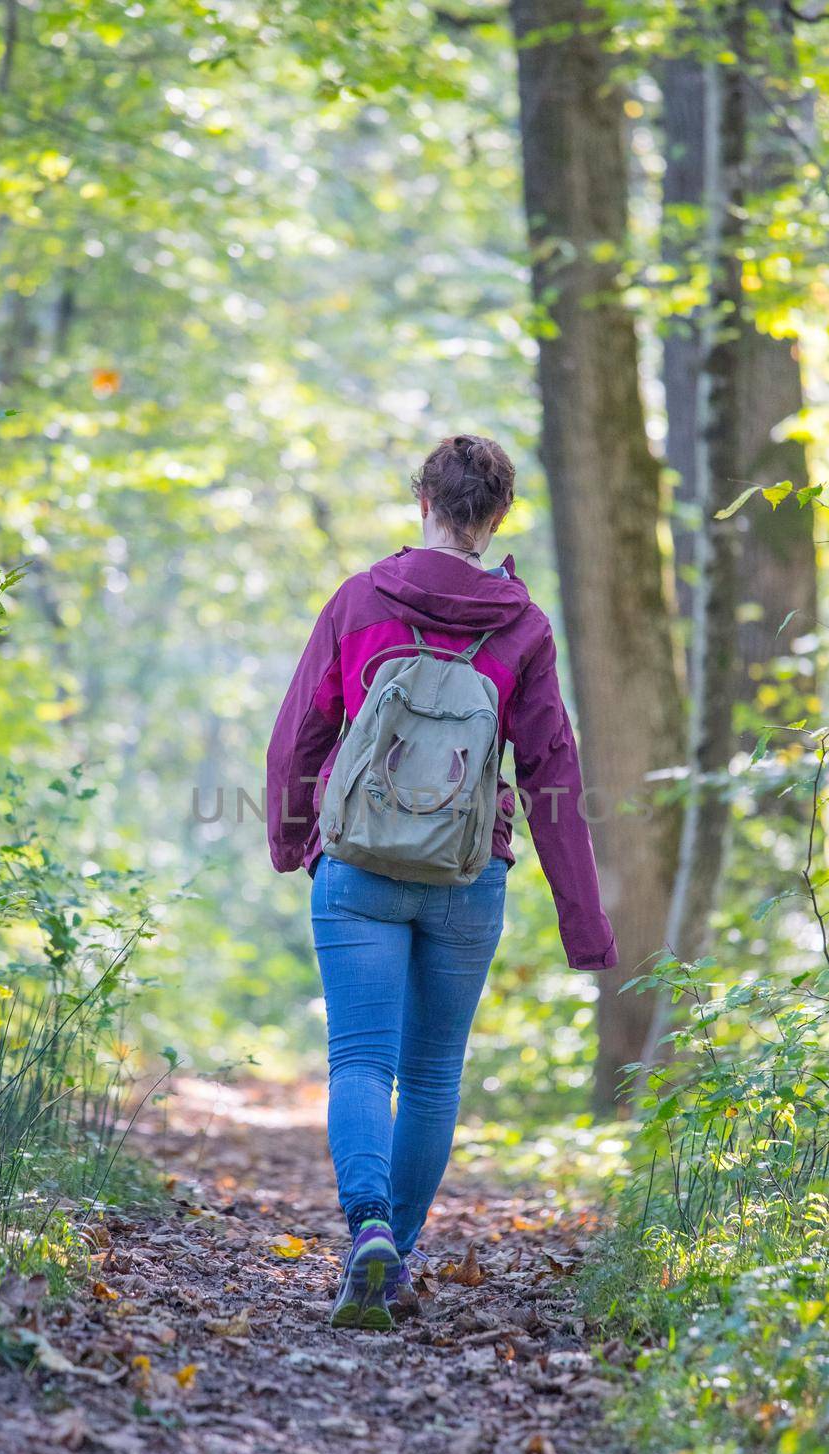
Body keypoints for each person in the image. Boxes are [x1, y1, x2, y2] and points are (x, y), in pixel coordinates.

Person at [266, 434, 617, 1329]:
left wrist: (291, 836)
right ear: (498, 515)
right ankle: (396, 1260)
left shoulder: (358, 601)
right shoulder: (523, 627)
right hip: (468, 875)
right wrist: (585, 928)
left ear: (421, 497)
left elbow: (300, 736)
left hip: (358, 869)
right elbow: (552, 776)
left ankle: (368, 1232)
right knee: (428, 1076)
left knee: (358, 1060)